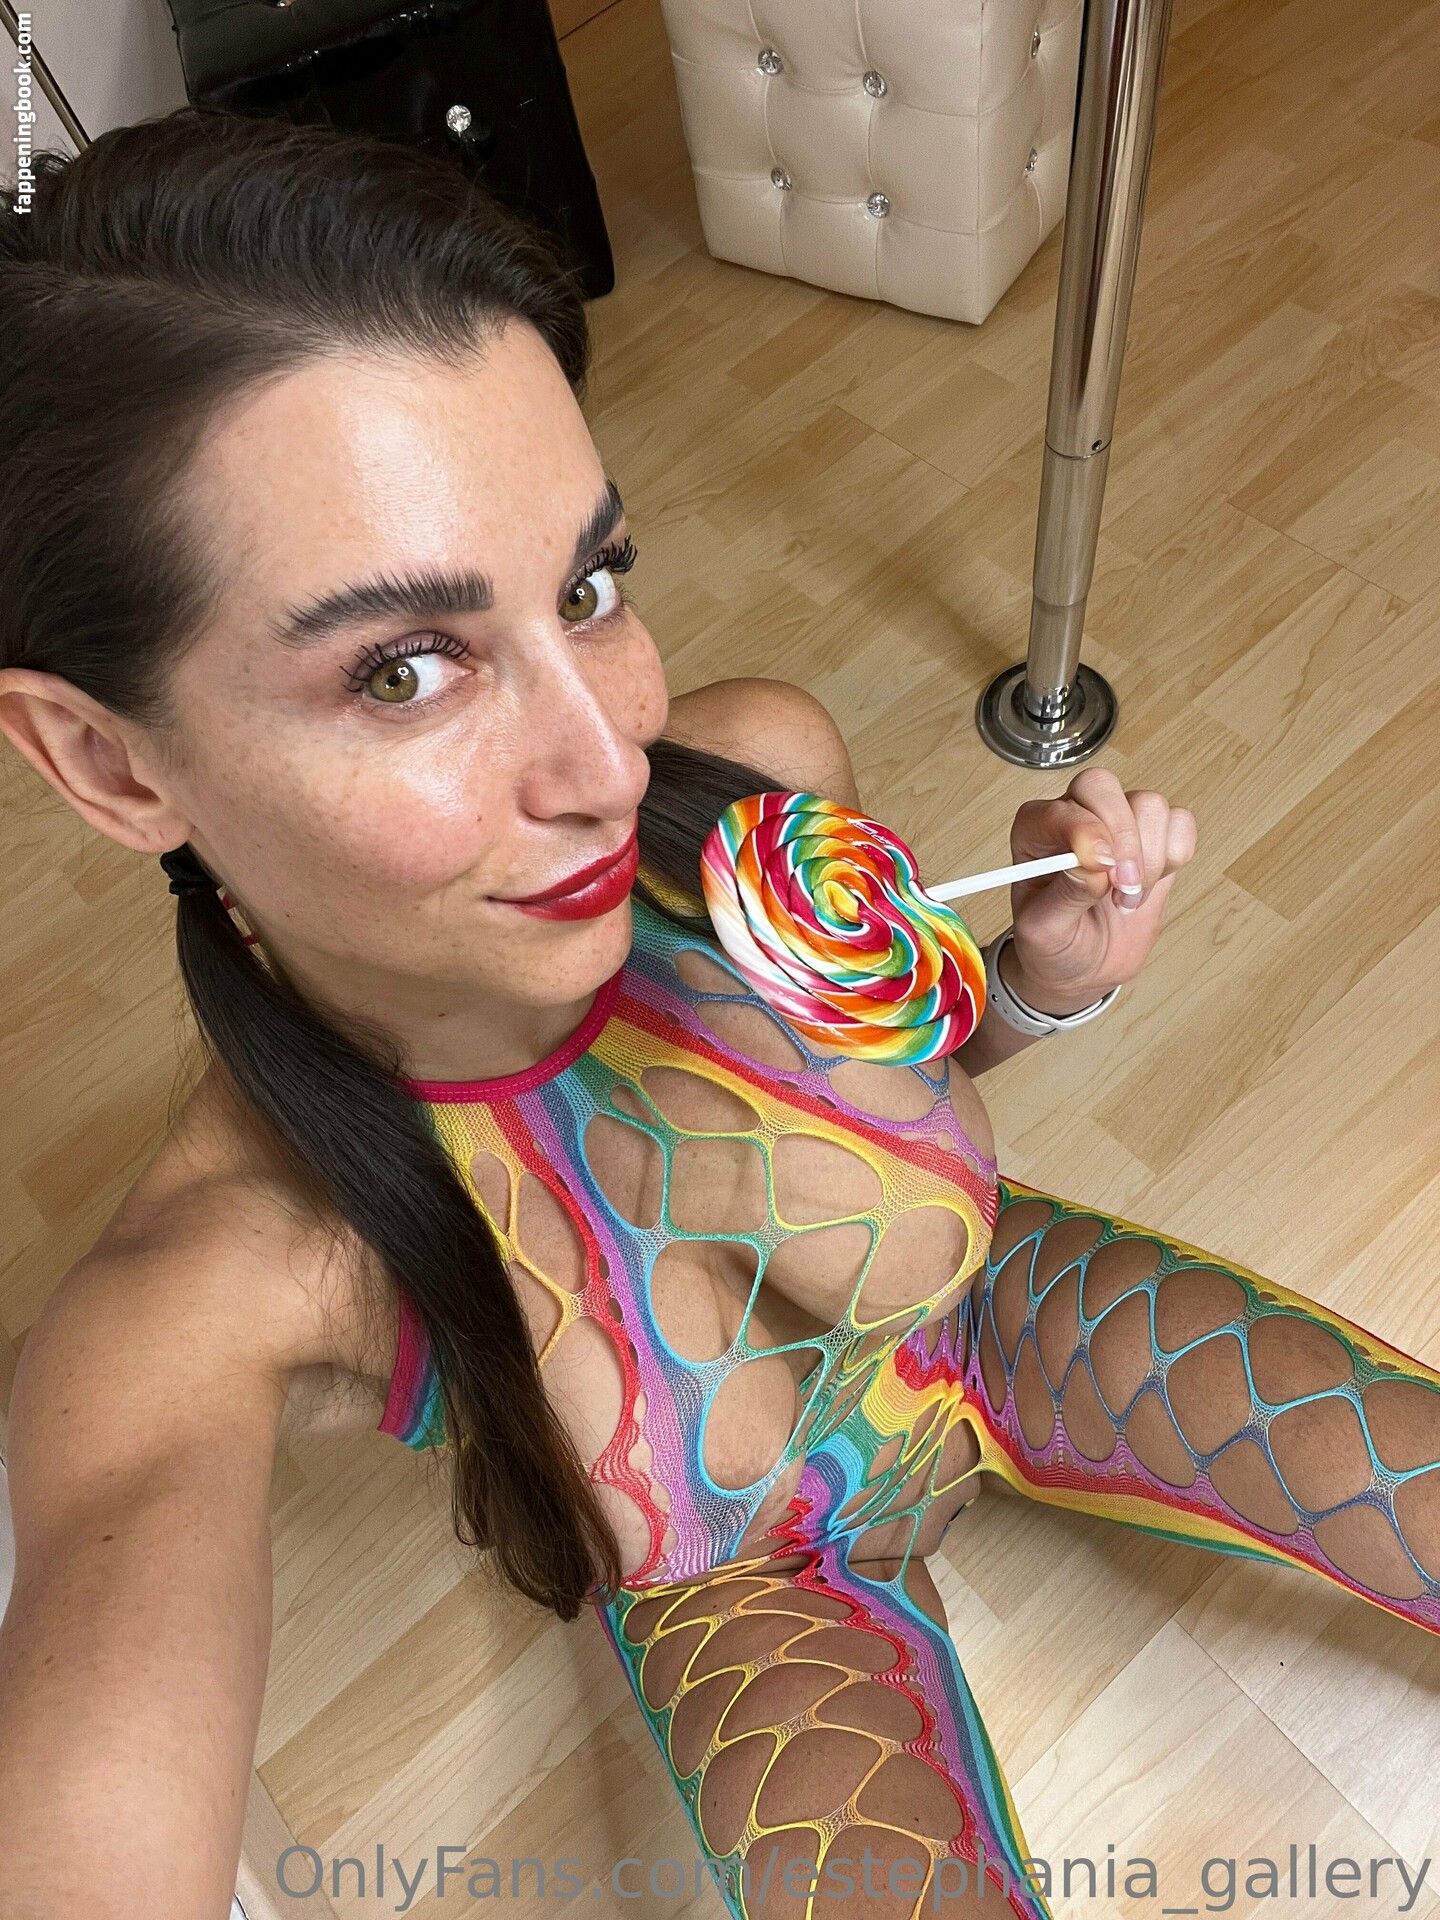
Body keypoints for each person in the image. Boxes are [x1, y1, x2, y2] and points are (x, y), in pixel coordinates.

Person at [0, 107, 1435, 1920]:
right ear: (107, 762)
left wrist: (1040, 986)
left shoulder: (757, 779)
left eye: (589, 586)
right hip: (755, 1609)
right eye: (405, 668)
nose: (610, 766)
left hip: (1009, 1312)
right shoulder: (206, 1296)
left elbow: (909, 1058)